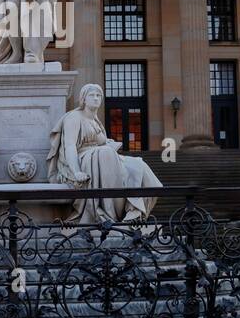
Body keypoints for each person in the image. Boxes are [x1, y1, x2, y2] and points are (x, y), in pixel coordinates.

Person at [48, 83, 162, 224]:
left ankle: (134, 213)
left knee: (139, 164)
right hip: (82, 160)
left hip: (101, 157)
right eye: (92, 95)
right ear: (83, 98)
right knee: (106, 154)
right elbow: (69, 146)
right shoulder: (74, 117)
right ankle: (109, 216)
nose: (96, 99)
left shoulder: (96, 121)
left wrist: (109, 143)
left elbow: (100, 143)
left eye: (98, 95)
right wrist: (76, 171)